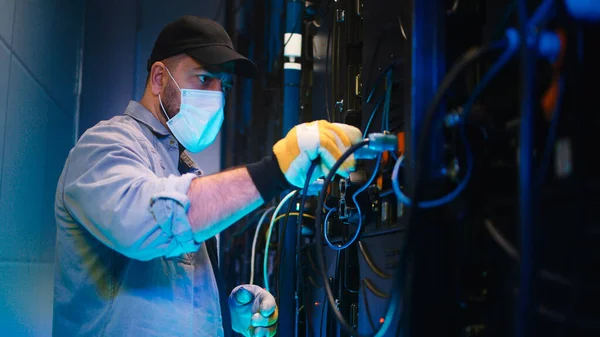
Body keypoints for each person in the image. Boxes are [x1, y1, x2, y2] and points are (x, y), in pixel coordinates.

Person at [52, 15, 362, 337]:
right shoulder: (104, 146)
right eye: (204, 79)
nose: (217, 96)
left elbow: (156, 291)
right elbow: (144, 225)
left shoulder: (181, 167)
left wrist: (226, 315)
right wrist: (276, 170)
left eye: (224, 86)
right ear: (159, 78)